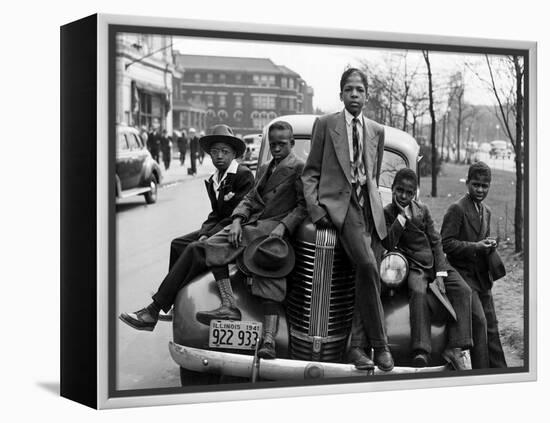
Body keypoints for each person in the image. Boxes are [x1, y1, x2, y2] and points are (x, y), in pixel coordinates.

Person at [301, 68, 394, 371]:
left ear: (367, 95)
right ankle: (380, 346)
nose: (355, 95)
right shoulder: (326, 125)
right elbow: (311, 173)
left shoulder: (377, 130)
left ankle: (356, 347)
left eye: (360, 90)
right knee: (368, 266)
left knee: (367, 275)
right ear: (341, 94)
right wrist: (318, 211)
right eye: (349, 89)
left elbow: (374, 175)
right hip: (343, 207)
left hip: (370, 211)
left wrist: (375, 206)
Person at [120, 124, 254, 325]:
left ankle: (153, 310)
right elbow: (215, 214)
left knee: (193, 249)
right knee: (177, 244)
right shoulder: (215, 178)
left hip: (236, 232)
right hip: (219, 229)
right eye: (214, 152)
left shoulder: (243, 175)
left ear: (234, 153)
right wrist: (204, 231)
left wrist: (207, 235)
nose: (219, 156)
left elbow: (238, 213)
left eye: (225, 152)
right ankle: (173, 303)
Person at [196, 120, 307, 358]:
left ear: (292, 144)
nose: (276, 148)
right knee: (213, 244)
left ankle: (268, 341)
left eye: (282, 144)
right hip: (253, 226)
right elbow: (251, 198)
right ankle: (228, 305)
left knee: (269, 276)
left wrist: (283, 228)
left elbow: (302, 206)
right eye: (273, 144)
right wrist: (236, 220)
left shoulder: (299, 167)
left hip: (274, 232)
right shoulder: (266, 166)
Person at [381, 168, 472, 370]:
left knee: (463, 290)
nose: (404, 196)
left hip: (435, 265)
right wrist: (402, 219)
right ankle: (421, 349)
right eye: (400, 190)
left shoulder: (423, 210)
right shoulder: (388, 213)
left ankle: (456, 347)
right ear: (393, 189)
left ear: (415, 193)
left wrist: (440, 272)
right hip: (414, 265)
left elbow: (436, 241)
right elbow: (388, 242)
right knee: (418, 291)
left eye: (409, 192)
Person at [441, 161, 508, 369]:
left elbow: (481, 238)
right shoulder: (457, 209)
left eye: (484, 186)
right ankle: (481, 373)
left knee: (492, 327)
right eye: (476, 184)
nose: (480, 190)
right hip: (462, 277)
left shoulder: (486, 211)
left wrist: (489, 244)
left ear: (489, 186)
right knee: (479, 322)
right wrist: (476, 246)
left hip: (481, 277)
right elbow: (446, 243)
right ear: (467, 183)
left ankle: (501, 373)